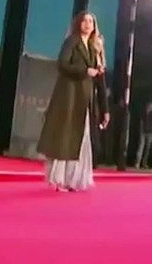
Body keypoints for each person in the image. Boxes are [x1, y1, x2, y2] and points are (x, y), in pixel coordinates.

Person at [38, 11, 105, 192]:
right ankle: (57, 179)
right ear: (78, 24)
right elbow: (62, 64)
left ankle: (74, 179)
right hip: (69, 97)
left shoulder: (93, 48)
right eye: (84, 21)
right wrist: (84, 71)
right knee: (65, 137)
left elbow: (100, 80)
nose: (88, 24)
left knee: (81, 138)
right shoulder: (72, 41)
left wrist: (104, 109)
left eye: (91, 21)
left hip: (84, 100)